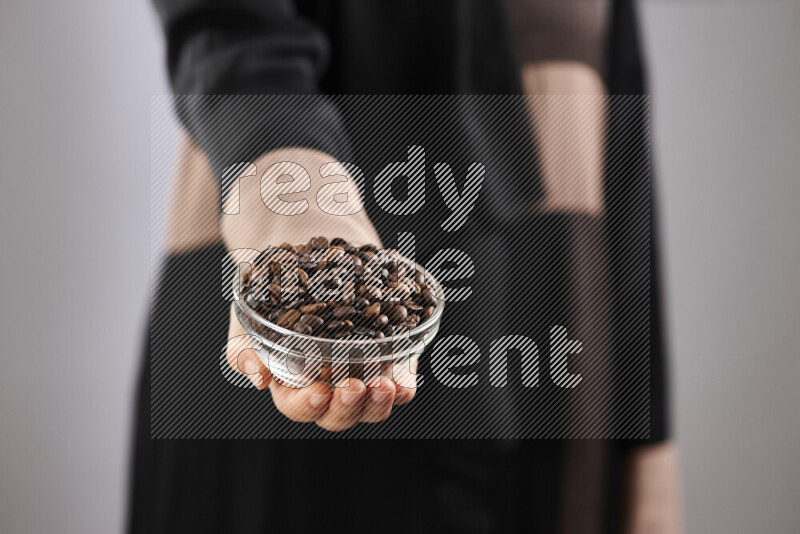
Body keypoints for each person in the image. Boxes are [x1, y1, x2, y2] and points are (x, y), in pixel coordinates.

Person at [130, 1, 681, 532]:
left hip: (556, 332)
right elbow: (227, 24)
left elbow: (622, 149)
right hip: (281, 365)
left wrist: (647, 455)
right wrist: (299, 198)